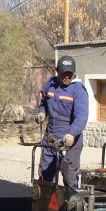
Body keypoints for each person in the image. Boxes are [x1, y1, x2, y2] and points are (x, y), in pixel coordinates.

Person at [36, 55, 89, 188]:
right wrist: (42, 112)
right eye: (64, 74)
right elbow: (44, 101)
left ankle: (69, 205)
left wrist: (72, 133)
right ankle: (46, 206)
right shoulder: (50, 85)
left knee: (69, 177)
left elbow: (81, 116)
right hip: (51, 137)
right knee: (45, 175)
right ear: (57, 71)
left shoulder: (78, 90)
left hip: (70, 140)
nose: (67, 77)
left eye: (69, 74)